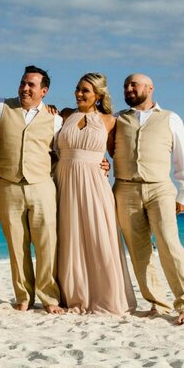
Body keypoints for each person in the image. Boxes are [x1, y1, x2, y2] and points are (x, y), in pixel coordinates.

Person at [110, 73, 184, 325]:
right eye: (125, 85)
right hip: (125, 189)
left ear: (150, 88)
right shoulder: (117, 119)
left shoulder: (170, 118)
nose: (128, 88)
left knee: (169, 244)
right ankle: (157, 303)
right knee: (139, 252)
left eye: (133, 85)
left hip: (160, 188)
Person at [0, 66, 64, 313]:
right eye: (23, 83)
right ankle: (23, 296)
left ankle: (49, 297)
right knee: (17, 245)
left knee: (46, 244)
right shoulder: (0, 107)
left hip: (41, 186)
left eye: (31, 85)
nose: (25, 88)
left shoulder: (55, 119)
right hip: (8, 185)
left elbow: (63, 152)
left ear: (44, 91)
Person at [56, 73, 135, 315]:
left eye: (85, 91)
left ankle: (106, 295)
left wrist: (108, 166)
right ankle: (72, 294)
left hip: (94, 184)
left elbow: (115, 154)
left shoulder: (110, 120)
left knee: (99, 235)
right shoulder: (64, 114)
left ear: (98, 95)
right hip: (64, 180)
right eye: (78, 89)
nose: (79, 94)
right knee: (69, 236)